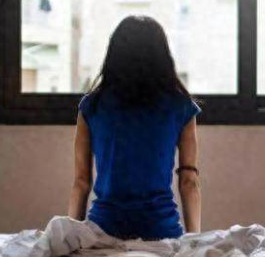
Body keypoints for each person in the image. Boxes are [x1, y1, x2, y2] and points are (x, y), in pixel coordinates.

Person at [67, 16, 201, 240]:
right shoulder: (181, 107)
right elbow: (189, 181)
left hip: (104, 232)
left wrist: (72, 239)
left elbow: (81, 182)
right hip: (161, 233)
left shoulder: (92, 106)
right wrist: (194, 241)